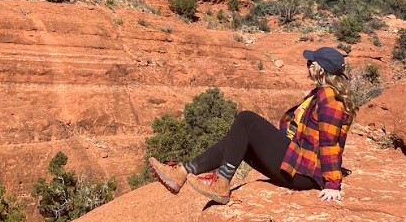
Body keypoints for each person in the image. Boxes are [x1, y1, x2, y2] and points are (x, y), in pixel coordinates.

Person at [149, 46, 356, 205]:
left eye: (311, 62)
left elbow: (329, 142)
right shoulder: (320, 94)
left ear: (319, 69)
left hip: (304, 175)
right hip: (299, 163)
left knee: (246, 119)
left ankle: (221, 182)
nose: (308, 65)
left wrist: (332, 184)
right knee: (239, 140)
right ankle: (183, 172)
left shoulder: (330, 99)